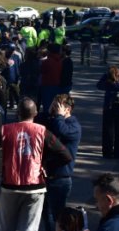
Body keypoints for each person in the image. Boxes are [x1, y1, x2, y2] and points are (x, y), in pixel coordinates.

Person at [0, 97, 72, 231]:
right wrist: (46, 166)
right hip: (35, 184)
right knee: (29, 227)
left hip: (10, 184)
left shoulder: (4, 130)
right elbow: (65, 155)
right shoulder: (43, 131)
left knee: (6, 227)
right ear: (36, 113)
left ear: (18, 113)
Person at [42, 94, 82, 231]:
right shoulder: (54, 121)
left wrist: (59, 116)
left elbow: (62, 131)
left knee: (57, 217)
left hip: (60, 179)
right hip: (46, 176)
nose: (54, 109)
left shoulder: (74, 125)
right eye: (53, 105)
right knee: (44, 214)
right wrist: (50, 112)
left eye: (57, 106)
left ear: (67, 109)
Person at [96, 66, 119, 159]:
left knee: (108, 131)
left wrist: (105, 76)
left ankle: (107, 152)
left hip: (109, 108)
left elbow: (99, 85)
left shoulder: (108, 84)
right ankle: (118, 152)